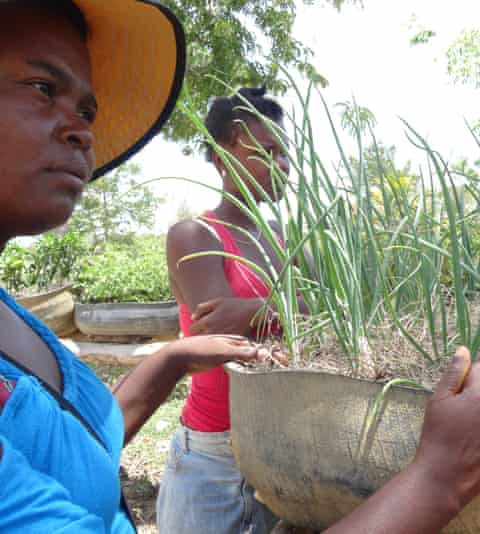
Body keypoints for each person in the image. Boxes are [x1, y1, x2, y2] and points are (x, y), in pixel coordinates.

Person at [0, 1, 480, 533]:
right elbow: (244, 314)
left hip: (274, 441)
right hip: (212, 450)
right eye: (43, 88)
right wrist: (439, 478)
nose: (80, 128)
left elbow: (75, 447)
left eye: (87, 109)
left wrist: (171, 359)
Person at [159, 87, 300, 533]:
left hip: (286, 451)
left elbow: (336, 309)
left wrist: (253, 310)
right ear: (223, 159)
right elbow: (217, 332)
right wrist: (294, 308)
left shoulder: (286, 239)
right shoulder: (194, 235)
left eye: (285, 152)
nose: (282, 165)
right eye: (267, 151)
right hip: (215, 456)